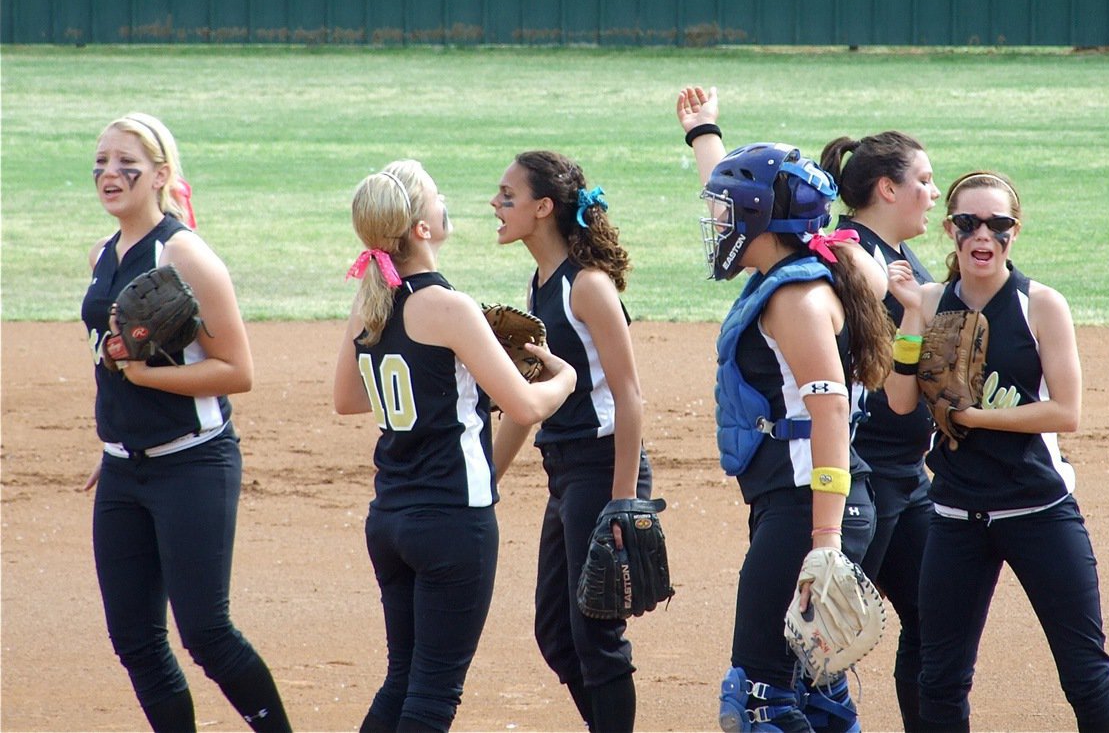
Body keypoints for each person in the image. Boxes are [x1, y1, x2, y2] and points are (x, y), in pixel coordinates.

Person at [676, 88, 893, 733]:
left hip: (809, 511)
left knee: (760, 703)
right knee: (816, 701)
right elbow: (751, 194)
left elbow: (825, 417)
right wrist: (702, 133)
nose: (717, 221)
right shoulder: (825, 263)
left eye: (726, 212)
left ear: (759, 221)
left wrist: (823, 543)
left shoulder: (795, 300)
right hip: (811, 505)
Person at [332, 160, 576, 733]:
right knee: (434, 695)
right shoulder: (448, 306)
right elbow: (524, 406)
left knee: (402, 679)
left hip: (389, 519)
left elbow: (348, 397)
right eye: (437, 197)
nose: (448, 204)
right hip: (451, 520)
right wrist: (563, 377)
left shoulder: (372, 301)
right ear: (420, 228)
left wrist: (443, 382)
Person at [884, 170, 1109, 733]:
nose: (983, 236)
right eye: (969, 223)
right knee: (940, 680)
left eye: (999, 225)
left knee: (1085, 674)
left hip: (1038, 510)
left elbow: (1066, 412)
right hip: (955, 517)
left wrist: (975, 418)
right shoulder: (927, 299)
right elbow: (900, 401)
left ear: (1015, 232)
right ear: (950, 229)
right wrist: (913, 316)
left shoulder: (1041, 305)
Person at [81, 113, 291, 732]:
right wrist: (118, 433)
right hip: (124, 471)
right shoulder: (101, 255)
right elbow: (109, 357)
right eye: (100, 163)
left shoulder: (186, 255)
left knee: (205, 632)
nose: (109, 174)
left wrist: (145, 382)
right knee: (136, 642)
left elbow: (237, 370)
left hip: (193, 464)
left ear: (160, 176)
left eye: (127, 164)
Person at [488, 150, 653, 732]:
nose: (495, 204)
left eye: (507, 195)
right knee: (557, 632)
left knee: (595, 632)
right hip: (566, 474)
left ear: (543, 208)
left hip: (603, 468)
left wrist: (624, 502)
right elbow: (523, 408)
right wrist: (482, 483)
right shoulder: (539, 288)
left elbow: (630, 397)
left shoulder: (587, 288)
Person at [818, 132, 939, 733]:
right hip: (866, 477)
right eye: (923, 180)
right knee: (825, 630)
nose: (934, 193)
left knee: (931, 617)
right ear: (887, 188)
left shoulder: (892, 253)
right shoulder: (851, 254)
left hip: (907, 475)